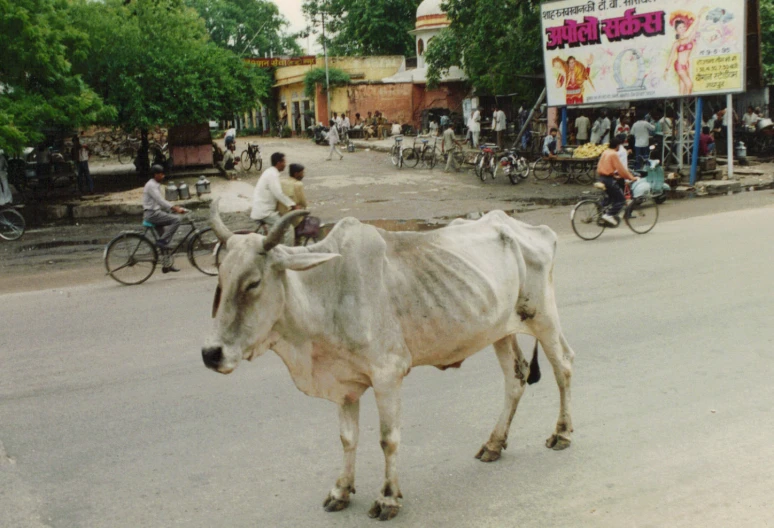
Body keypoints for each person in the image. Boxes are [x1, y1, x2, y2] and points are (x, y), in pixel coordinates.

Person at [143, 165, 187, 272]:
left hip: (155, 212)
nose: (163, 176)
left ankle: (166, 265)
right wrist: (175, 208)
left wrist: (171, 209)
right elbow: (160, 201)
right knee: (176, 220)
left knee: (165, 241)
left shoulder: (154, 184)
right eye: (161, 174)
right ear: (155, 175)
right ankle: (161, 241)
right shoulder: (151, 185)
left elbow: (160, 202)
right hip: (152, 214)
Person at [251, 152, 297, 246]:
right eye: (284, 161)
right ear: (278, 163)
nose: (285, 164)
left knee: (277, 231)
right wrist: (292, 204)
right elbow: (278, 193)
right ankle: (288, 253)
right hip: (265, 212)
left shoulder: (270, 172)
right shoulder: (272, 175)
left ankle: (277, 249)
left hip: (262, 208)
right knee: (289, 228)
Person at [596, 136, 638, 226]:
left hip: (602, 177)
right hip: (608, 179)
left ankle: (601, 212)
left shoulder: (605, 152)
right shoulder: (614, 154)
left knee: (611, 197)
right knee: (621, 200)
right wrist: (631, 177)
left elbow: (601, 166)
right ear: (617, 146)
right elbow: (621, 169)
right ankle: (608, 215)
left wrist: (613, 174)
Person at [277, 163, 309, 240]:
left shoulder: (282, 181)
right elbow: (303, 202)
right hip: (292, 216)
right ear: (296, 174)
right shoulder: (298, 184)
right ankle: (298, 240)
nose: (303, 175)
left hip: (280, 213)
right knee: (304, 215)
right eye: (302, 173)